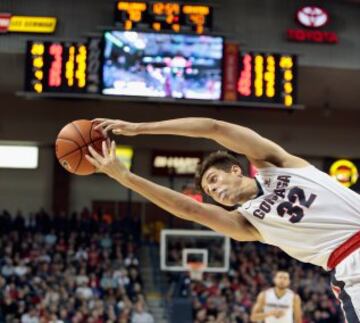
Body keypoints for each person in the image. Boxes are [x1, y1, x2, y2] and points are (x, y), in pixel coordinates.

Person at [86, 117, 360, 322]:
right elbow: (189, 210)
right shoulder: (247, 223)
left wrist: (139, 129)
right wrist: (125, 177)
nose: (214, 189)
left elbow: (214, 129)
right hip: (351, 268)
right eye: (209, 191)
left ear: (236, 170)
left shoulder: (277, 163)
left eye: (214, 179)